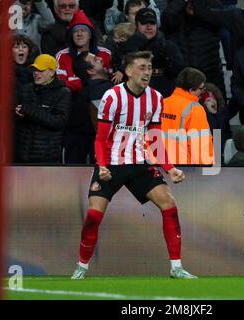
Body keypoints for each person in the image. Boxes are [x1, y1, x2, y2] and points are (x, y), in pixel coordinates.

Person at [71, 51, 197, 280]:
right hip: (111, 164)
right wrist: (101, 165)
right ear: (128, 71)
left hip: (139, 162)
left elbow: (155, 136)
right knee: (93, 216)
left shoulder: (156, 98)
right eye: (141, 67)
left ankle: (176, 267)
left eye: (149, 67)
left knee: (169, 204)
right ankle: (81, 267)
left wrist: (170, 168)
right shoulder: (112, 96)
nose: (147, 72)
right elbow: (100, 138)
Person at [14, 53, 71, 163]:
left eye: (41, 70)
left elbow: (59, 122)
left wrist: (30, 111)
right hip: (21, 156)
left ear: (52, 72)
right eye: (35, 69)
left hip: (47, 159)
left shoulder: (63, 93)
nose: (36, 73)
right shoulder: (26, 89)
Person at [162, 0, 226, 97]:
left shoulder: (210, 16)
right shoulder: (175, 22)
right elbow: (167, 16)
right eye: (188, 2)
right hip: (182, 83)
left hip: (211, 79)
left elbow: (216, 17)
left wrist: (198, 4)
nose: (191, 5)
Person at [63, 51, 114, 164]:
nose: (101, 58)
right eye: (96, 59)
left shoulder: (81, 94)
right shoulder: (106, 91)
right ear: (91, 70)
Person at [121, 7, 184, 97]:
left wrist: (168, 60)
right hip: (138, 91)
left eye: (152, 23)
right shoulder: (129, 45)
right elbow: (124, 70)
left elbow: (180, 70)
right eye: (144, 23)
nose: (149, 27)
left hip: (166, 89)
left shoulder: (168, 45)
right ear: (136, 25)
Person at [161, 67, 214, 165]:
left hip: (158, 166)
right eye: (201, 89)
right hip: (185, 169)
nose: (202, 92)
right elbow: (200, 146)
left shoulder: (161, 104)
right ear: (191, 90)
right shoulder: (195, 109)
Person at [55, 10, 112, 93]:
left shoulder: (105, 53)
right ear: (71, 36)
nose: (79, 34)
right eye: (75, 31)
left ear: (90, 35)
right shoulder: (62, 55)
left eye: (83, 30)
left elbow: (110, 79)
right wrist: (88, 83)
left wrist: (76, 83)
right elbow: (61, 84)